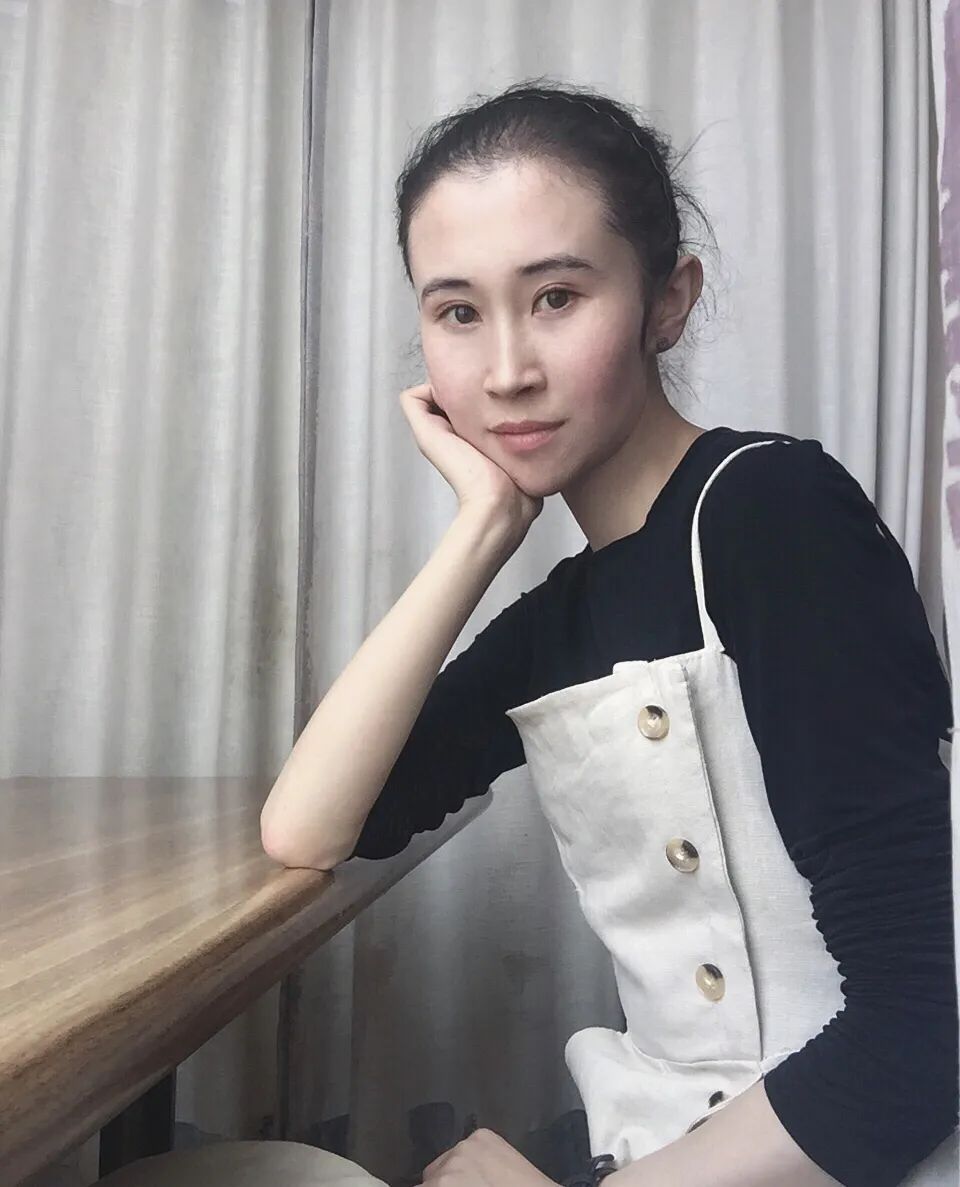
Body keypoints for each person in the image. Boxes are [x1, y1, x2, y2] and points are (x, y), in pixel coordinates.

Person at [260, 79, 958, 1187]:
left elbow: (921, 1036)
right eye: (457, 313)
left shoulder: (772, 512)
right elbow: (310, 827)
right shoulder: (562, 615)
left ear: (666, 301)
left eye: (556, 297)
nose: (506, 372)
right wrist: (482, 528)